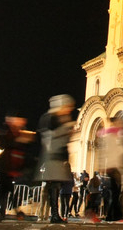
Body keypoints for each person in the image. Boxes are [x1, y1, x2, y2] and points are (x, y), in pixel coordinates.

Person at [38, 95, 75, 224]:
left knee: (56, 186)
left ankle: (54, 214)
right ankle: (54, 214)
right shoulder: (51, 118)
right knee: (54, 186)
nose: (69, 110)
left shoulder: (59, 119)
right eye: (67, 107)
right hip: (53, 157)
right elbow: (51, 137)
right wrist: (67, 128)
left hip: (58, 158)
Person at [0, 113, 34, 219]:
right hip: (5, 168)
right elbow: (4, 144)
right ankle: (8, 211)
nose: (22, 123)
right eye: (20, 120)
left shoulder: (17, 133)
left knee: (5, 192)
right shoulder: (7, 131)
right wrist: (19, 140)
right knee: (5, 192)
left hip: (10, 169)